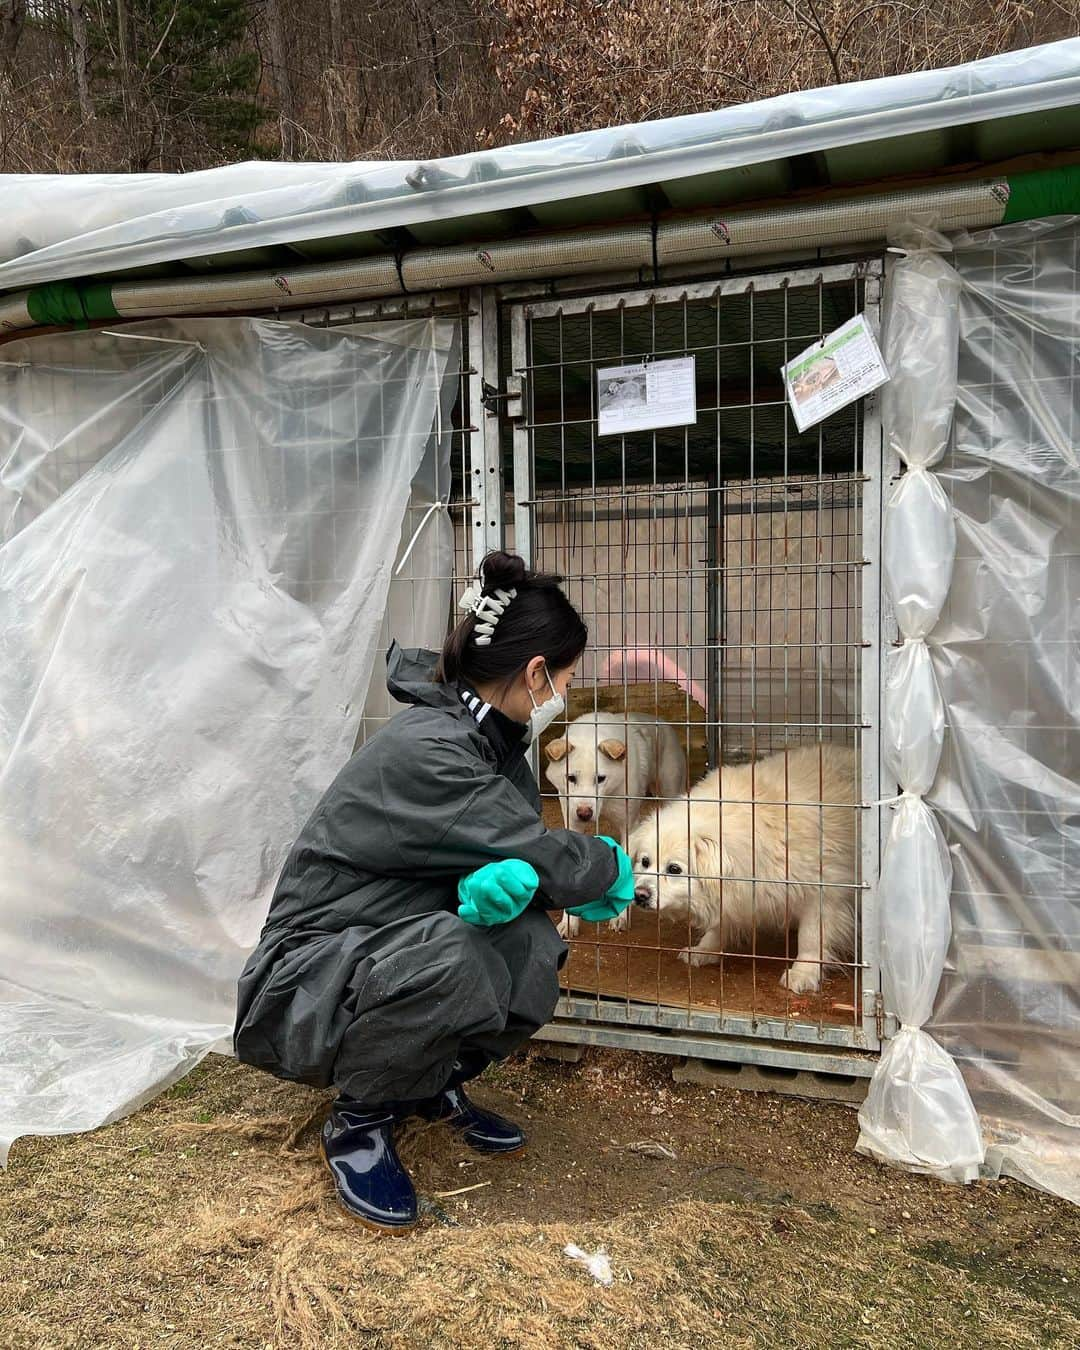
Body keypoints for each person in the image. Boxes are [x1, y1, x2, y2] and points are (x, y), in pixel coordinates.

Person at [234, 551, 635, 1232]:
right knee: (459, 957)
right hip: (301, 982)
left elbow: (510, 862)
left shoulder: (490, 738)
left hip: (378, 938)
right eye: (568, 677)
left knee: (531, 943)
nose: (567, 691)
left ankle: (427, 1084)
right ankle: (360, 1123)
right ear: (536, 674)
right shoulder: (433, 748)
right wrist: (618, 866)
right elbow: (541, 852)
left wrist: (507, 892)